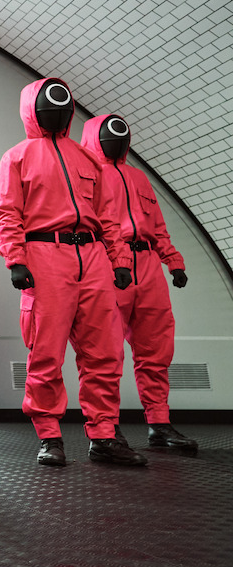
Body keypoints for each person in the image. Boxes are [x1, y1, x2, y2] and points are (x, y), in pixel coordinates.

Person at [0, 78, 145, 467]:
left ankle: (104, 435)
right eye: (49, 108)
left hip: (92, 256)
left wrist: (119, 261)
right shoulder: (16, 157)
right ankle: (49, 435)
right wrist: (16, 259)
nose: (58, 114)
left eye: (63, 109)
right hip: (44, 254)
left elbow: (107, 216)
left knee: (105, 351)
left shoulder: (86, 158)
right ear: (33, 111)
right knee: (46, 351)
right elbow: (7, 212)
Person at [81, 114, 197, 451]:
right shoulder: (88, 174)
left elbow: (157, 226)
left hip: (148, 266)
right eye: (110, 138)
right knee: (105, 352)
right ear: (96, 139)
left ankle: (159, 423)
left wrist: (173, 261)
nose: (117, 144)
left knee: (156, 348)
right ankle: (105, 428)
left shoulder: (138, 176)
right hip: (108, 263)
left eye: (122, 139)